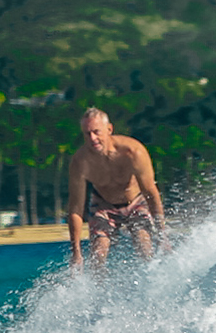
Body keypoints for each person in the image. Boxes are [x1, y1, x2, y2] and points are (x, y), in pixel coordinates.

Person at [64, 106, 164, 266]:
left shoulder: (133, 152)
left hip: (135, 202)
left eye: (97, 132)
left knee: (144, 245)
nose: (92, 138)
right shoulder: (80, 162)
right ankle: (99, 289)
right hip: (103, 204)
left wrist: (162, 235)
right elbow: (75, 209)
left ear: (109, 129)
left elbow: (151, 192)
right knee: (98, 255)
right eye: (87, 133)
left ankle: (153, 285)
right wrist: (76, 253)